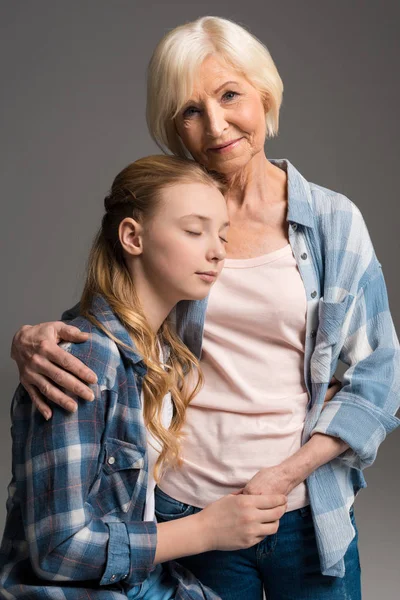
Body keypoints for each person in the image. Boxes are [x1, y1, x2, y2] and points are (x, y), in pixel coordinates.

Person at [10, 16, 400, 600]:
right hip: (188, 514)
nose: (216, 125)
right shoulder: (175, 212)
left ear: (264, 94)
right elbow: (120, 312)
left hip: (304, 513)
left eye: (230, 95)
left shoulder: (332, 223)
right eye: (191, 111)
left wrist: (283, 477)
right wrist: (34, 339)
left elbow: (377, 379)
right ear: (174, 128)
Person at [0, 155, 288, 599]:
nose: (217, 250)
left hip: (142, 583)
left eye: (222, 234)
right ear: (132, 237)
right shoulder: (84, 362)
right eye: (194, 231)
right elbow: (58, 550)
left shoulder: (164, 352)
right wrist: (207, 532)